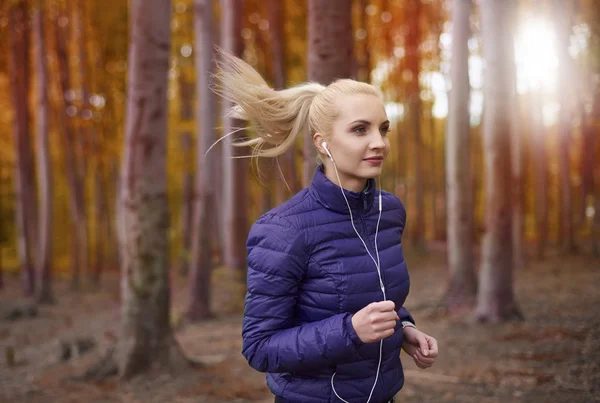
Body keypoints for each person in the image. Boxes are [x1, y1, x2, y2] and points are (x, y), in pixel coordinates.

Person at [215, 51, 439, 403]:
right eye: (360, 130)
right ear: (322, 142)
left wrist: (405, 329)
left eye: (383, 128)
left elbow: (377, 295)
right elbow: (259, 347)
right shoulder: (283, 230)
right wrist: (349, 331)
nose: (378, 142)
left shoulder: (389, 211)